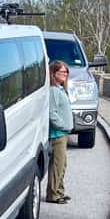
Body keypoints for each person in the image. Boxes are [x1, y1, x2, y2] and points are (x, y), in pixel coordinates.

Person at [46, 60, 73, 203]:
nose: (64, 74)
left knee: (62, 164)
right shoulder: (53, 91)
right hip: (58, 134)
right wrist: (63, 125)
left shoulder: (60, 90)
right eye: (61, 72)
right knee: (57, 165)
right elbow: (52, 113)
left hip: (63, 134)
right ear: (53, 74)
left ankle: (59, 191)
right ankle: (54, 194)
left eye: (66, 72)